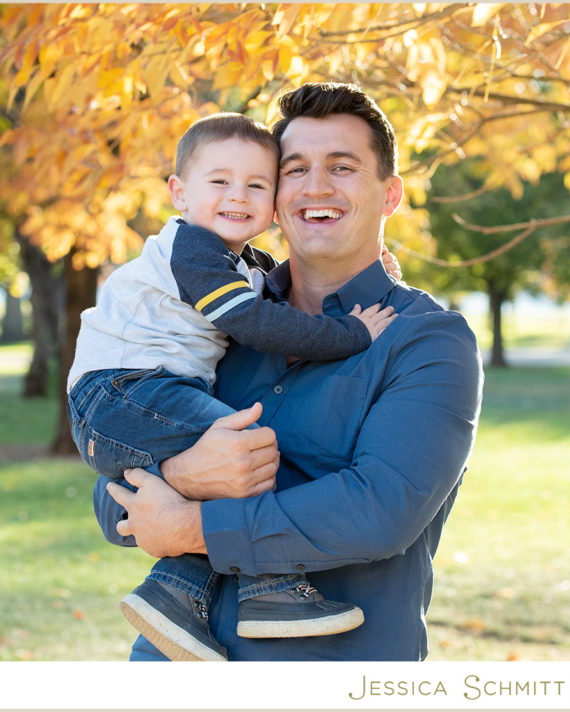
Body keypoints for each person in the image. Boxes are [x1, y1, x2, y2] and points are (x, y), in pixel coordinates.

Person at [97, 82, 483, 661]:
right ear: (275, 197)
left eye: (343, 167)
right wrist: (186, 472)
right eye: (295, 169)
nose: (316, 187)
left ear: (391, 194)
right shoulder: (216, 319)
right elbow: (111, 495)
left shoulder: (426, 341)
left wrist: (191, 526)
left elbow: (378, 511)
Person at [67, 113, 401, 661]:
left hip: (135, 396)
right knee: (246, 446)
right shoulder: (194, 252)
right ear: (179, 193)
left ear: (274, 202)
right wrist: (351, 332)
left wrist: (378, 272)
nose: (237, 196)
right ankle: (268, 590)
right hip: (123, 390)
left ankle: (176, 592)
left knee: (236, 456)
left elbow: (277, 284)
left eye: (257, 185)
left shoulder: (238, 263)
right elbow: (256, 321)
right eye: (219, 182)